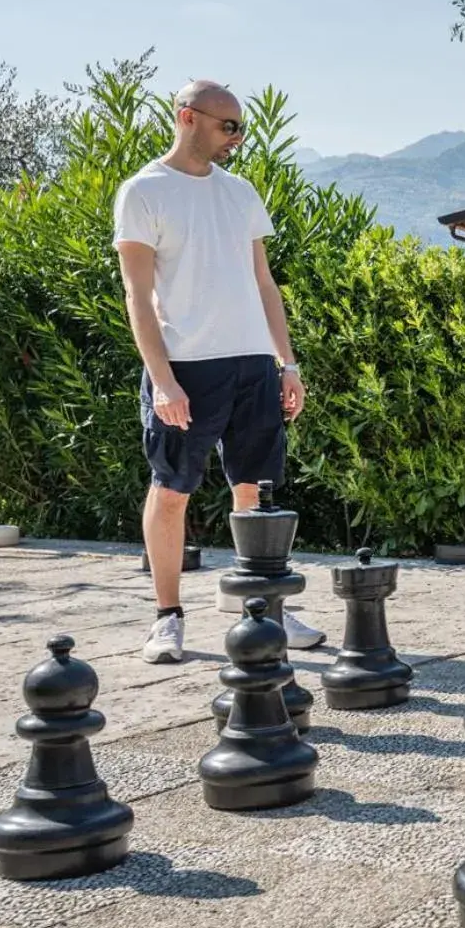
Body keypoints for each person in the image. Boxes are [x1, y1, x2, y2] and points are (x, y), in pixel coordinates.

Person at [113, 79, 325, 664]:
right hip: (187, 366)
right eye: (227, 126)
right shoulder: (144, 192)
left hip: (253, 364)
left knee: (254, 492)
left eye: (240, 127)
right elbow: (137, 295)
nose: (237, 137)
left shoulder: (240, 193)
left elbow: (264, 284)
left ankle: (259, 602)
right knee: (173, 490)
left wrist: (287, 362)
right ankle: (166, 617)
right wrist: (162, 379)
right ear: (187, 118)